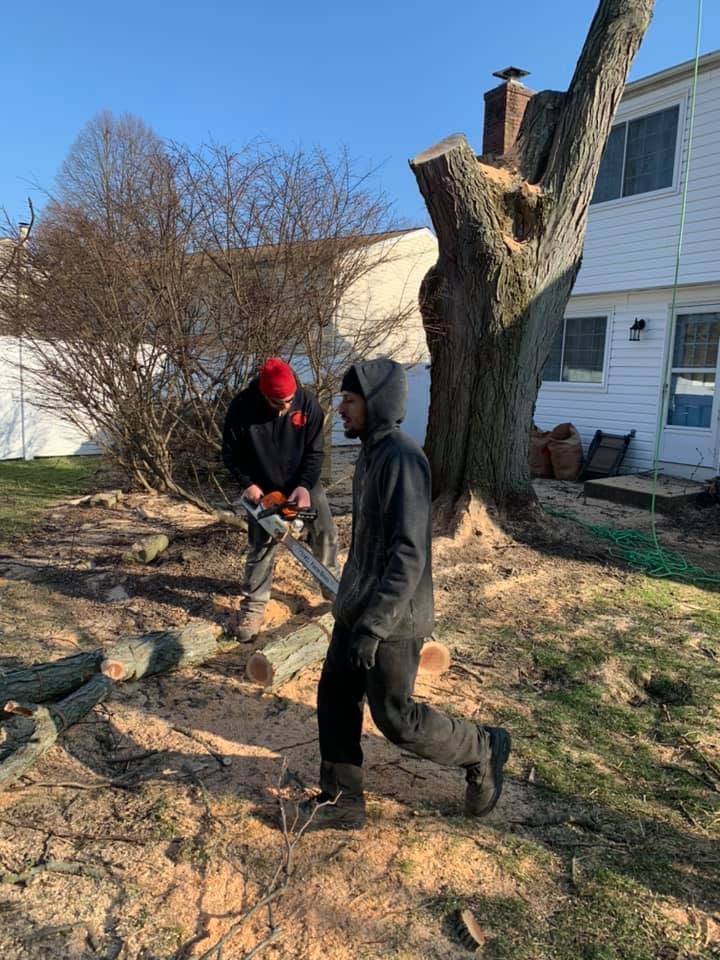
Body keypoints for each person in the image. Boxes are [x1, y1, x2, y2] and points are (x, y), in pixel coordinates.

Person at [304, 358, 511, 829]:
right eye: (342, 400)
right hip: (357, 607)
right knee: (335, 697)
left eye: (349, 400)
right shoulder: (372, 454)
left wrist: (373, 626)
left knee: (397, 720)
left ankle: (483, 747)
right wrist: (352, 612)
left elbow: (409, 554)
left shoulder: (401, 459)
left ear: (375, 404)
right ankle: (341, 803)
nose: (340, 409)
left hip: (395, 618)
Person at [222, 357, 338, 641]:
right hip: (262, 489)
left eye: (289, 400)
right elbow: (231, 455)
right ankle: (254, 606)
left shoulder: (308, 404)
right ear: (264, 394)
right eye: (278, 402)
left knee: (325, 530)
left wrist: (304, 486)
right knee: (261, 545)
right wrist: (247, 484)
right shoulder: (242, 409)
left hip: (301, 482)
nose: (286, 407)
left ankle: (332, 584)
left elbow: (315, 453)